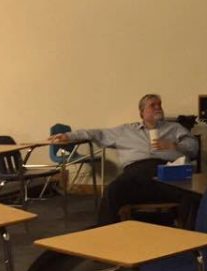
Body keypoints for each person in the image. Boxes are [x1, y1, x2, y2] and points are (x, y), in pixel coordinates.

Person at [48, 93, 198, 225]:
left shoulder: (174, 128)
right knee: (112, 191)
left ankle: (194, 245)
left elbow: (193, 147)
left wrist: (175, 145)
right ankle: (105, 240)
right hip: (135, 175)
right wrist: (69, 136)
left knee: (193, 195)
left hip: (167, 173)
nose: (158, 107)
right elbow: (96, 133)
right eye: (153, 105)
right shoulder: (126, 131)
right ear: (141, 112)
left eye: (160, 105)